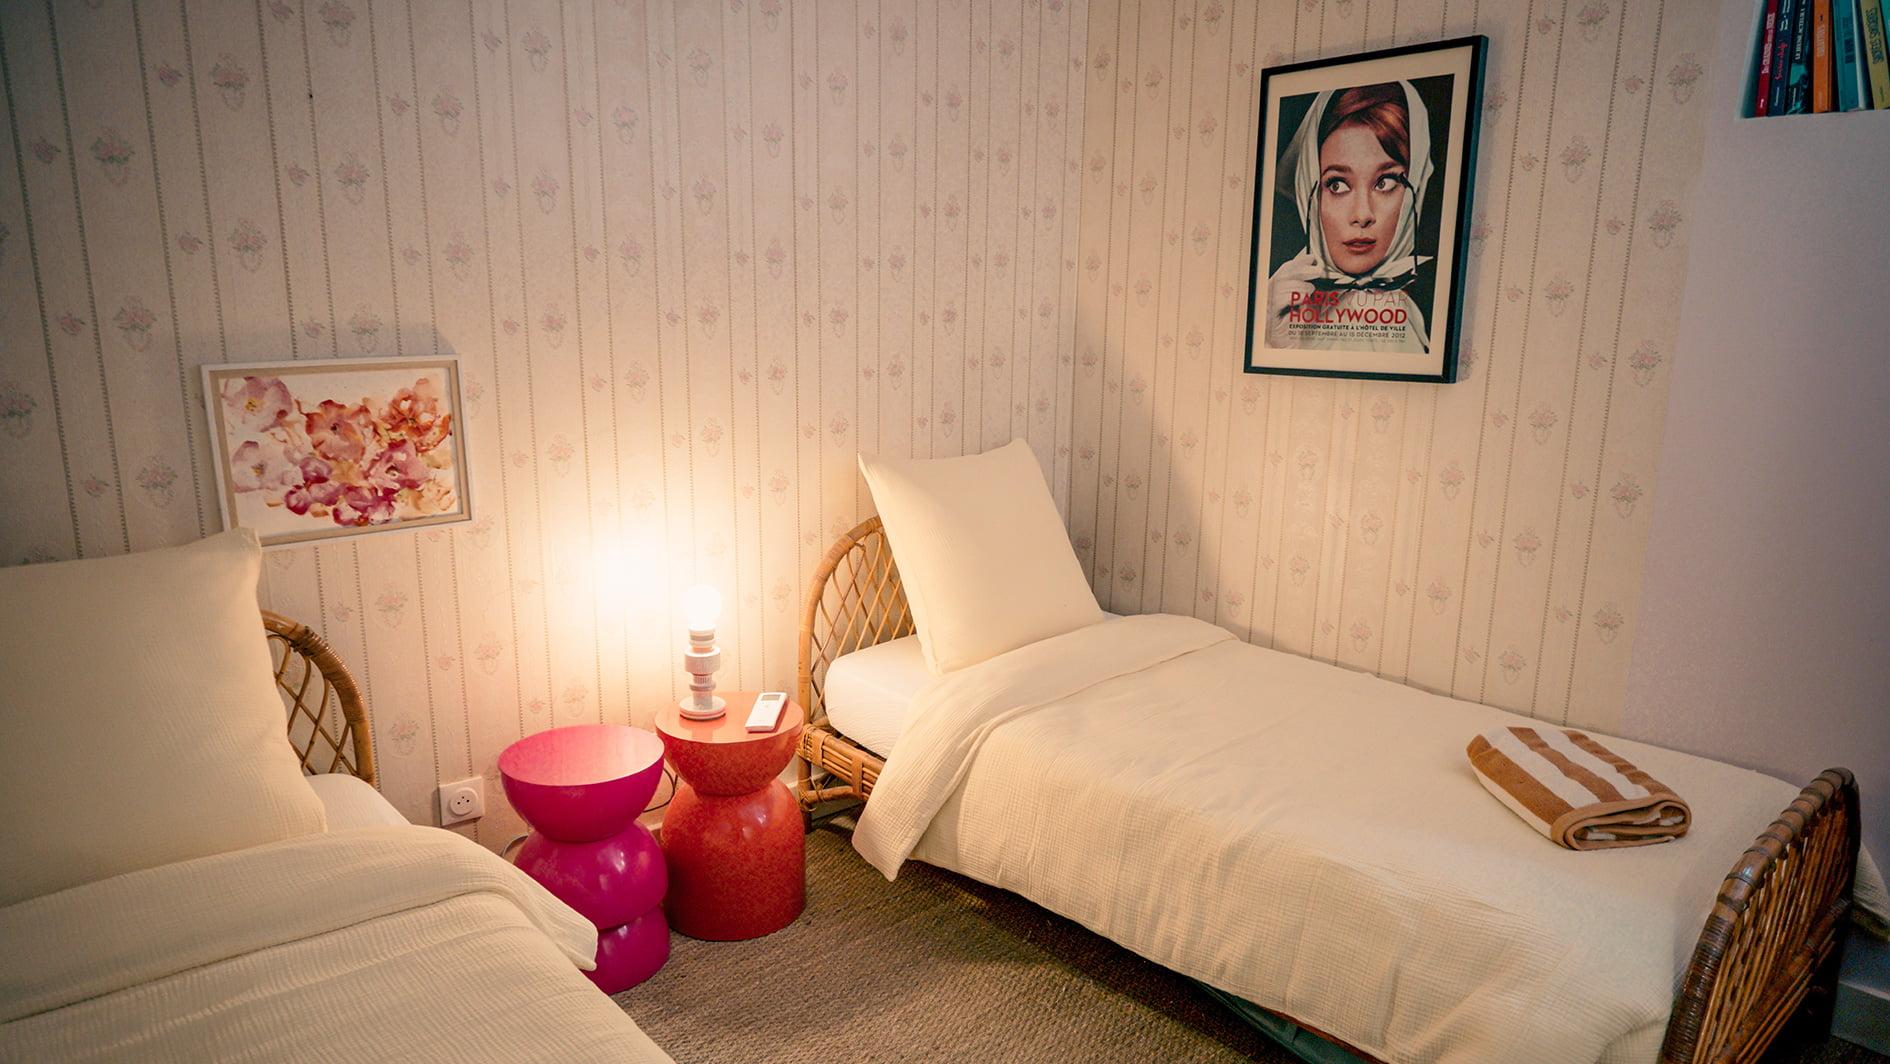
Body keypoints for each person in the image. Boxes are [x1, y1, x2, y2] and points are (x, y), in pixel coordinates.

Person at [1263, 81, 1434, 354]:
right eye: (1338, 185)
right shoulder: (1283, 304)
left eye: (1385, 182)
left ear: (1414, 187)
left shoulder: (1393, 313)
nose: (1362, 215)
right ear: (1309, 187)